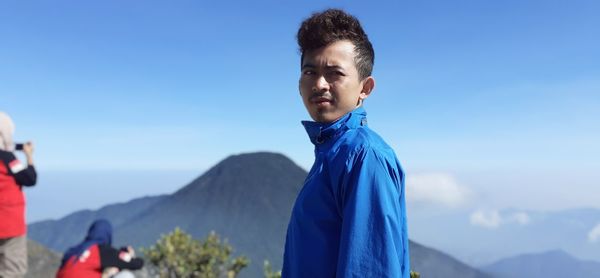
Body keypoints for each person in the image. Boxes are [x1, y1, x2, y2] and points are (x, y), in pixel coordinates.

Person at [282, 9, 410, 277]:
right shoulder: (332, 152)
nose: (319, 84)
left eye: (335, 73)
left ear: (365, 88)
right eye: (309, 71)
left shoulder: (363, 156)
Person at [0, 111, 37, 278]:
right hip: (8, 225)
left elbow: (8, 145)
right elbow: (30, 178)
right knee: (13, 271)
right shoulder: (7, 159)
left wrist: (19, 146)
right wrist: (29, 156)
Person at [56, 219, 144, 278]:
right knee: (126, 276)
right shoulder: (101, 250)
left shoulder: (73, 251)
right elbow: (137, 264)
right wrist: (131, 256)